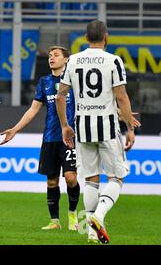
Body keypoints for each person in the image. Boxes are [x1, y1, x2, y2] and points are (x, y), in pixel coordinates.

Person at [56, 20, 138, 244]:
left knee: (91, 179)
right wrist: (129, 127)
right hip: (108, 126)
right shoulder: (114, 61)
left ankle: (91, 232)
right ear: (106, 37)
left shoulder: (73, 60)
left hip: (82, 126)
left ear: (85, 38)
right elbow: (121, 96)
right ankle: (99, 217)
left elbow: (60, 95)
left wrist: (65, 125)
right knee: (117, 177)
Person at [0, 46, 80, 232]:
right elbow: (33, 110)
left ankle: (72, 213)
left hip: (69, 137)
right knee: (52, 181)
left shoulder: (74, 81)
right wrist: (15, 129)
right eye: (50, 55)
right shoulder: (44, 82)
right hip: (50, 137)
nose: (52, 58)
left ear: (66, 60)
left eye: (56, 55)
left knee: (70, 178)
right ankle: (55, 221)